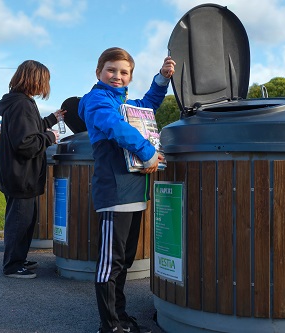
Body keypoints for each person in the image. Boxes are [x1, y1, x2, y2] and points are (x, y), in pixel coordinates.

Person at [78, 47, 175, 333]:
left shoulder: (122, 102)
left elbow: (146, 107)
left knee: (123, 261)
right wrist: (148, 152)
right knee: (111, 264)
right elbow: (113, 126)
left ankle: (119, 317)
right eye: (111, 70)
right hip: (115, 194)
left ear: (131, 76)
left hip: (134, 193)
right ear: (98, 73)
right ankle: (109, 325)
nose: (117, 76)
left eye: (124, 72)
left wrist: (162, 79)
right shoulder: (97, 100)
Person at [0, 60, 66, 279]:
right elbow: (25, 143)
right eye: (44, 80)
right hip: (21, 174)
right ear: (35, 80)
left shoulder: (20, 103)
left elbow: (30, 127)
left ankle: (18, 258)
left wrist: (52, 119)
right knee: (20, 221)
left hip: (18, 173)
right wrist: (50, 136)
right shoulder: (22, 105)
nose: (45, 86)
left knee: (24, 219)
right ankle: (12, 265)